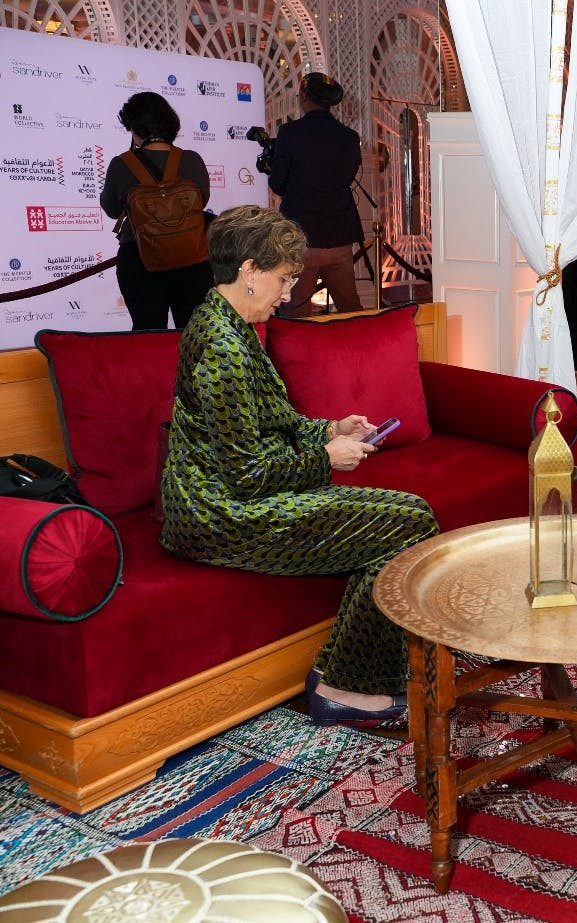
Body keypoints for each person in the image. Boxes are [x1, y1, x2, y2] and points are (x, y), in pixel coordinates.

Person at [160, 205, 438, 727]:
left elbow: (272, 426)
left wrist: (332, 429)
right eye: (284, 279)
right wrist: (324, 458)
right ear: (248, 271)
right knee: (411, 522)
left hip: (240, 499)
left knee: (409, 519)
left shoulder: (232, 326)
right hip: (221, 516)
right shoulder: (222, 344)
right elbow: (246, 475)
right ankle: (345, 686)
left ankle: (342, 676)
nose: (289, 293)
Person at [99, 92, 214, 330]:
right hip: (192, 260)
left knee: (148, 336)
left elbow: (111, 209)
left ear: (135, 128)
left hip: (140, 261)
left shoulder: (121, 164)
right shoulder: (192, 160)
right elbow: (200, 203)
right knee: (195, 335)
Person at [268, 72, 365, 317]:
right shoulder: (349, 137)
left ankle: (301, 356)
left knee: (296, 312)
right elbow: (347, 177)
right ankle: (360, 352)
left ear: (303, 97)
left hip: (302, 238)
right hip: (340, 237)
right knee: (349, 309)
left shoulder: (290, 133)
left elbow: (278, 184)